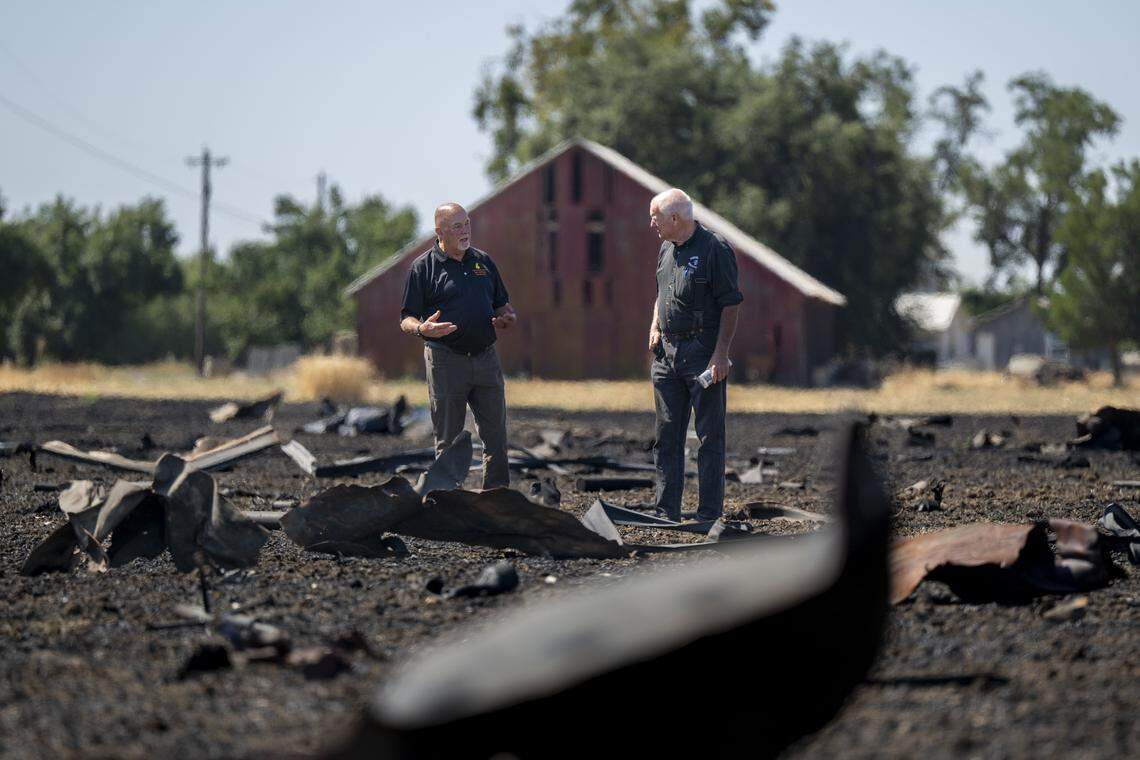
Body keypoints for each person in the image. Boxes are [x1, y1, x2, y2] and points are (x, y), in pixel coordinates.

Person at [399, 203, 518, 489]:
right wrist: (422, 329)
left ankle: (497, 502)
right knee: (449, 440)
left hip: (486, 358)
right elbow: (406, 318)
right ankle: (447, 502)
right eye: (457, 226)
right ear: (439, 232)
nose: (465, 231)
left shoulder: (484, 263)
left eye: (467, 223)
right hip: (446, 361)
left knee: (497, 438)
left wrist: (507, 318)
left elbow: (503, 306)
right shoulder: (422, 268)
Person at [647, 188, 742, 521]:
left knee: (708, 437)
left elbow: (730, 304)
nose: (651, 224)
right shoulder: (664, 249)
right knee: (667, 435)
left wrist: (721, 354)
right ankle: (665, 513)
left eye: (655, 217)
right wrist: (655, 325)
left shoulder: (715, 248)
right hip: (666, 353)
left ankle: (707, 516)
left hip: (702, 352)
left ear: (675, 218)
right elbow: (661, 294)